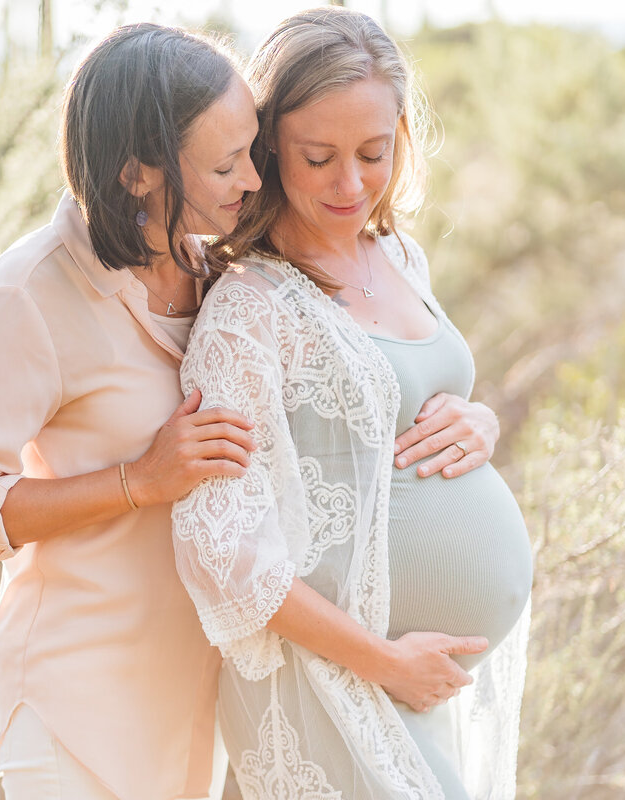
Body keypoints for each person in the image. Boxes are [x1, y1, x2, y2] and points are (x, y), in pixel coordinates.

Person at [172, 8, 532, 799]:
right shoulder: (249, 308)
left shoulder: (400, 255)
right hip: (329, 686)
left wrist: (480, 420)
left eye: (373, 154)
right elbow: (222, 550)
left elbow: (404, 412)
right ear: (267, 150)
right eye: (318, 157)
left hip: (416, 689)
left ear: (401, 136)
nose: (350, 183)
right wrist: (384, 660)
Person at [0, 23, 263, 800]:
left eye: (252, 149)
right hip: (73, 712)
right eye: (223, 163)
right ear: (138, 174)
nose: (251, 177)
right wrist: (138, 481)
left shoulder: (219, 267)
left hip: (192, 706)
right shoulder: (28, 294)